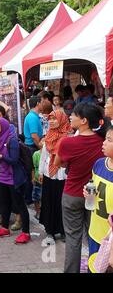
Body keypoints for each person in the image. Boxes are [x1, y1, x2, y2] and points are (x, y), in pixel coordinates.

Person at [55, 103, 107, 273]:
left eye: (74, 114)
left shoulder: (67, 143)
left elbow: (59, 164)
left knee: (73, 239)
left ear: (83, 120)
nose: (70, 116)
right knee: (95, 237)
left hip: (72, 194)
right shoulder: (102, 142)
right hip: (95, 195)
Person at [0, 117, 31, 244]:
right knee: (4, 204)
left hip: (14, 178)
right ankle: (5, 228)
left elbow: (14, 160)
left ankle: (26, 233)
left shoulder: (12, 140)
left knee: (20, 205)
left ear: (4, 126)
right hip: (2, 178)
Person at [38, 110, 72, 244]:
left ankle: (64, 231)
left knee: (63, 203)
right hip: (49, 174)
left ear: (62, 120)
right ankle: (50, 231)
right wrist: (40, 172)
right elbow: (44, 156)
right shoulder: (48, 136)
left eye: (54, 119)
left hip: (64, 175)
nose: (51, 121)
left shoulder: (69, 137)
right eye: (50, 119)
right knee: (49, 202)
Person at [86, 126, 113, 273]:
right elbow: (93, 187)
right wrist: (88, 193)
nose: (104, 143)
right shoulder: (99, 164)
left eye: (109, 140)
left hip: (110, 239)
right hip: (95, 231)